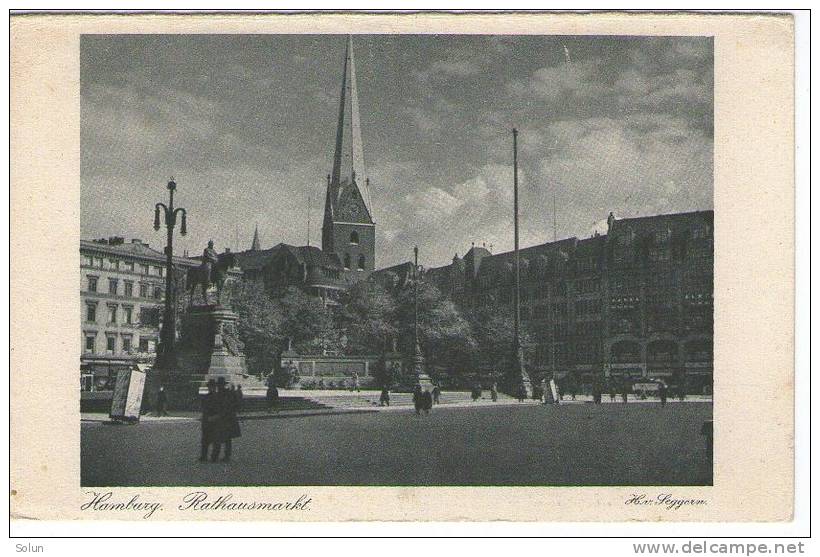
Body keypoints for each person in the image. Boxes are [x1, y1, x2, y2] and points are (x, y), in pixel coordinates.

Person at [199, 380, 218, 462]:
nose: (211, 388)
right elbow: (204, 408)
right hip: (207, 421)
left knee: (216, 440)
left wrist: (216, 416)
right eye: (210, 387)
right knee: (205, 440)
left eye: (212, 387)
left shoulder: (218, 397)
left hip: (216, 421)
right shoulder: (206, 397)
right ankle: (204, 456)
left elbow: (222, 409)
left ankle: (214, 456)